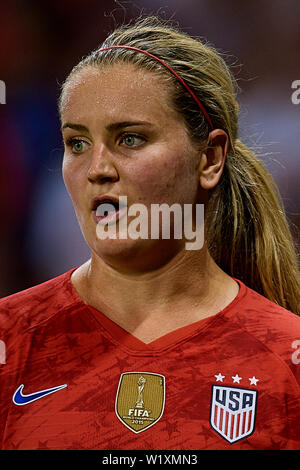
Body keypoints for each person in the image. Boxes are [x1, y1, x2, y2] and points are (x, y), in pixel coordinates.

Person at [0, 15, 300, 451]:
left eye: (130, 139)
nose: (98, 169)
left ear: (211, 159)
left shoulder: (287, 356)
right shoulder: (10, 339)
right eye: (77, 143)